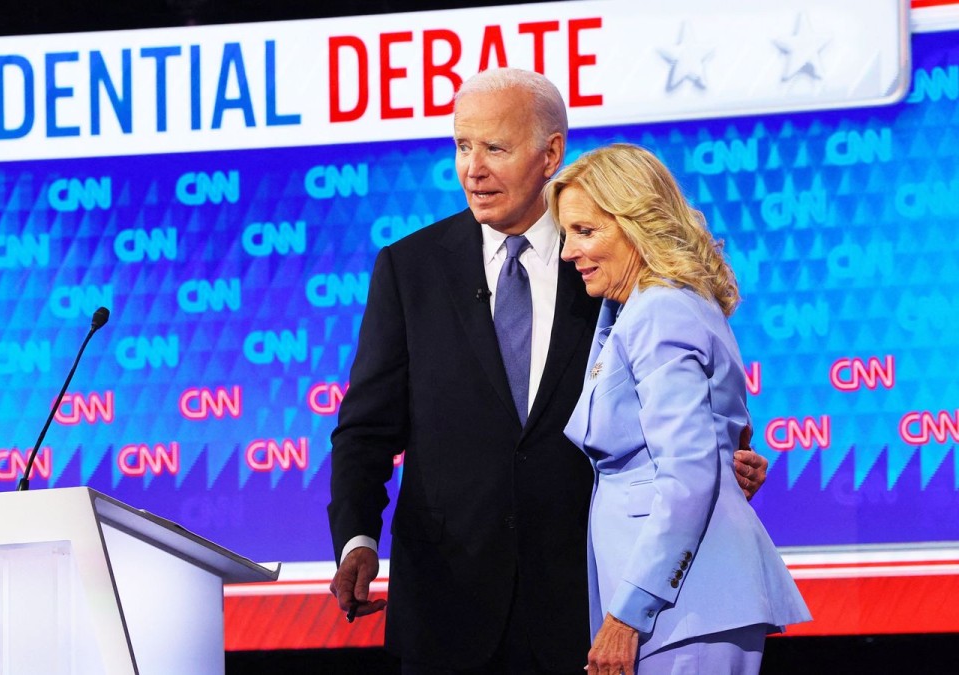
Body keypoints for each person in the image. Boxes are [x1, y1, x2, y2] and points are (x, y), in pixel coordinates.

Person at [327, 68, 769, 674]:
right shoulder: (410, 269)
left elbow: (679, 400)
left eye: (494, 148)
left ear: (550, 154)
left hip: (584, 606)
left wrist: (720, 462)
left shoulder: (603, 259)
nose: (472, 169)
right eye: (462, 146)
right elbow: (366, 429)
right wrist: (357, 538)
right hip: (446, 608)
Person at [547, 143, 811, 675]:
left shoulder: (660, 310)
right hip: (681, 603)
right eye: (566, 234)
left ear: (636, 223)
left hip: (685, 605)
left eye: (585, 231)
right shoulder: (650, 307)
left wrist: (629, 613)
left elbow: (687, 473)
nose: (568, 252)